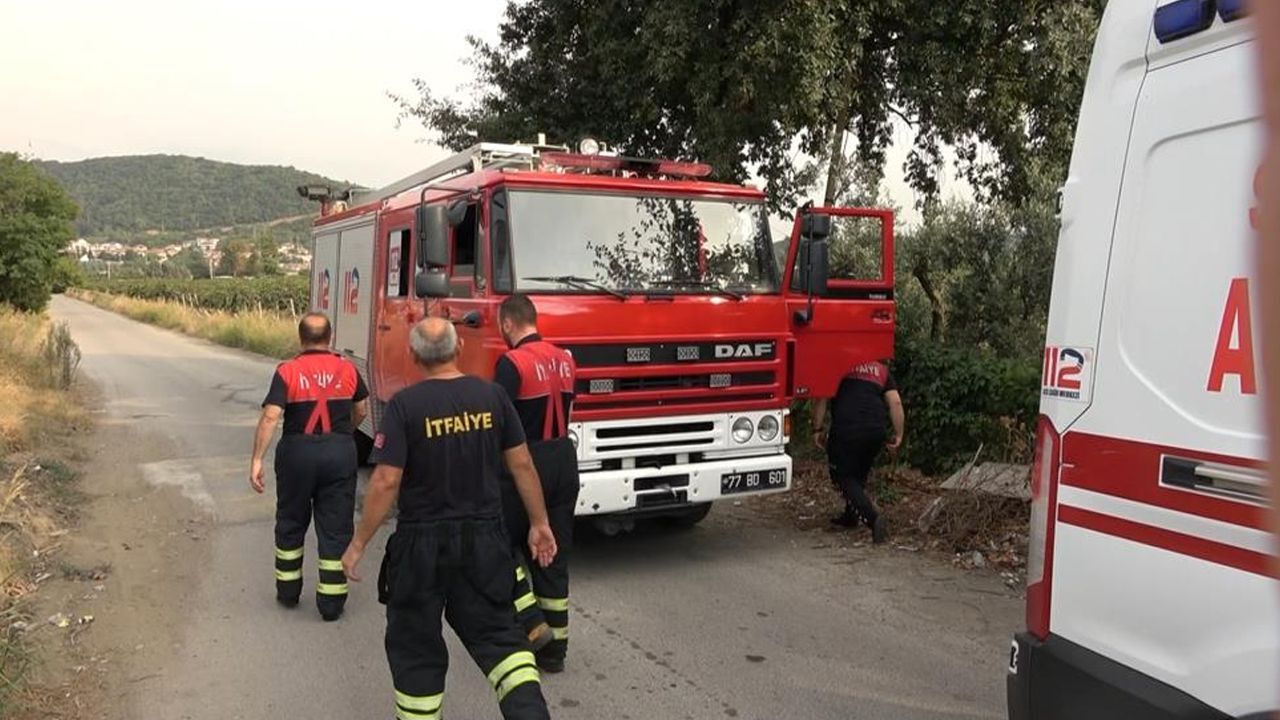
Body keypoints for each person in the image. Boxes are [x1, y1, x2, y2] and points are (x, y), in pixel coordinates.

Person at [341, 318, 557, 720]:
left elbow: (386, 480)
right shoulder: (492, 396)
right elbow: (522, 464)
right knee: (501, 638)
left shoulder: (406, 406)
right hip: (485, 540)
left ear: (413, 355)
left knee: (416, 645)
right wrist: (539, 523)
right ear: (459, 351)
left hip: (422, 545)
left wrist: (358, 544)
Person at [250, 312, 368, 621]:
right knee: (336, 526)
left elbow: (271, 416)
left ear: (301, 338)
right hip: (339, 451)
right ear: (330, 337)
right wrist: (345, 434)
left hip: (297, 455)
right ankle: (331, 604)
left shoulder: (287, 371)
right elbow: (362, 409)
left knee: (291, 520)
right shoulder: (348, 369)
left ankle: (288, 592)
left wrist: (257, 459)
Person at [493, 294, 579, 673]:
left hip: (525, 462)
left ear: (508, 324)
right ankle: (555, 653)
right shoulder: (565, 358)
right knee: (552, 552)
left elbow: (500, 424)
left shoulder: (511, 363)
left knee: (498, 541)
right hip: (563, 457)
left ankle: (530, 621)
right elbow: (569, 407)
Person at [811, 359, 904, 544]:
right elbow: (895, 402)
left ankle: (873, 519)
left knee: (842, 476)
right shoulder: (881, 370)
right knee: (858, 474)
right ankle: (850, 516)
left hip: (847, 429)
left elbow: (821, 398)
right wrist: (899, 433)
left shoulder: (837, 365)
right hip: (875, 432)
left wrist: (817, 429)